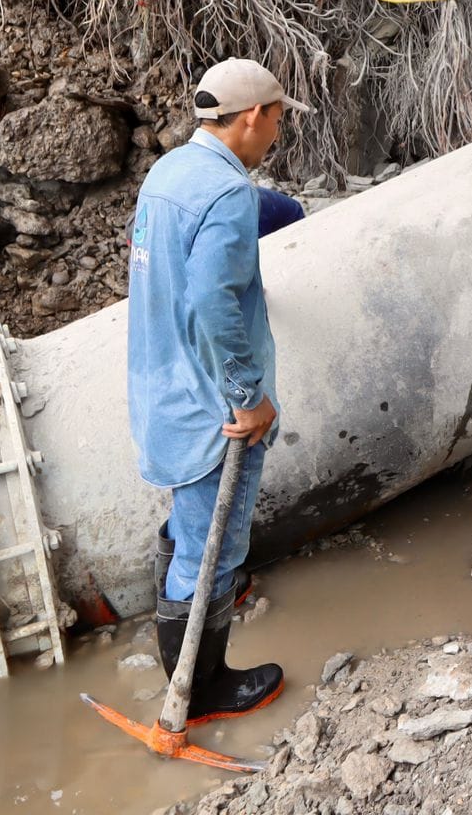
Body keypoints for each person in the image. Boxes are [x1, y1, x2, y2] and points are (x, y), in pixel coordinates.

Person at [127, 57, 310, 722]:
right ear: (255, 116)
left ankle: (178, 660)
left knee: (188, 528)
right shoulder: (226, 194)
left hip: (161, 390)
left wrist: (284, 216)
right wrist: (248, 396)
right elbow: (211, 302)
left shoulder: (172, 170)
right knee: (211, 548)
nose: (278, 134)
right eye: (279, 119)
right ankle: (199, 692)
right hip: (211, 406)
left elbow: (185, 255)